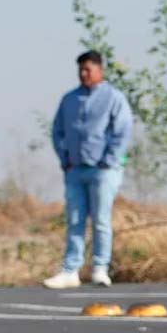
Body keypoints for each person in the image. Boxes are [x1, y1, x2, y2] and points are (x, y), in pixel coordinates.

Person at [44, 50, 133, 289]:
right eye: (81, 70)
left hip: (103, 170)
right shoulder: (69, 99)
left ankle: (100, 268)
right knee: (74, 219)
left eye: (88, 70)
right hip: (75, 170)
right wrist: (65, 159)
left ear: (99, 70)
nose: (84, 74)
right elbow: (57, 131)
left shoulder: (114, 97)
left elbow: (123, 130)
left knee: (101, 220)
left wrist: (109, 159)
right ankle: (70, 270)